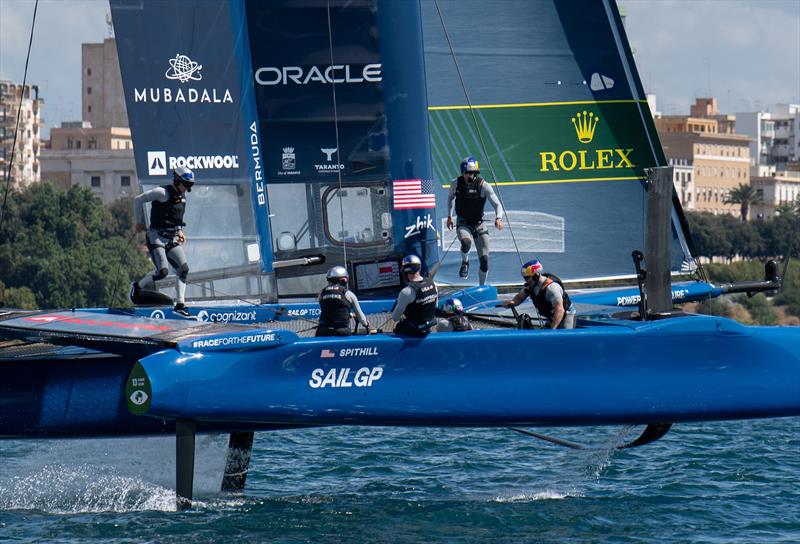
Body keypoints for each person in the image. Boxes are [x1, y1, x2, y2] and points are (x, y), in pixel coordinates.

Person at [129, 166, 195, 317]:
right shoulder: (162, 192)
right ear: (177, 180)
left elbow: (175, 217)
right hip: (156, 236)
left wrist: (179, 230)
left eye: (190, 185)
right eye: (186, 184)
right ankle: (137, 287)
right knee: (162, 271)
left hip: (171, 238)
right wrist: (139, 222)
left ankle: (180, 305)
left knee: (183, 269)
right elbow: (138, 200)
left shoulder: (182, 195)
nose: (187, 188)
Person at [446, 156, 504, 286]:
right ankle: (465, 262)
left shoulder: (484, 186)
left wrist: (498, 218)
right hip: (463, 223)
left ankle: (482, 287)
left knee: (484, 260)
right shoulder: (456, 183)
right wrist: (449, 216)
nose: (470, 176)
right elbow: (450, 198)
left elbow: (498, 205)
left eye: (472, 173)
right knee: (466, 243)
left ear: (476, 172)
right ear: (463, 172)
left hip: (479, 223)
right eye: (467, 173)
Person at [502, 259, 575, 329]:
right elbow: (520, 297)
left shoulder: (552, 288)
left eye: (527, 277)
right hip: (551, 315)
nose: (525, 280)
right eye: (524, 278)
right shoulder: (530, 286)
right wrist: (512, 302)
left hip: (565, 314)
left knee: (563, 335)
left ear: (536, 276)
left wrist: (552, 330)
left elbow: (559, 310)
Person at [316, 265, 374, 337]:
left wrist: (348, 315)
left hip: (323, 331)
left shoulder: (322, 293)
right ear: (344, 280)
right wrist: (366, 324)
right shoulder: (347, 293)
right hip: (341, 332)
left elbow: (330, 310)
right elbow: (360, 316)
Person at [392, 254, 438, 337]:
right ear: (420, 268)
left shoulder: (406, 292)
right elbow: (435, 306)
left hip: (414, 330)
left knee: (398, 327)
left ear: (405, 271)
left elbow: (395, 318)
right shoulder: (433, 283)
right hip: (429, 327)